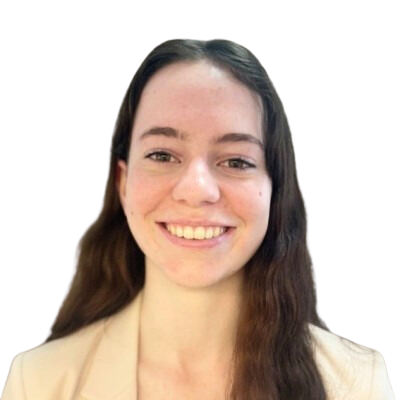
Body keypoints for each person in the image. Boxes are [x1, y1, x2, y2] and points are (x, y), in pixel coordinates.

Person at [2, 38, 395, 400]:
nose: (196, 189)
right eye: (161, 155)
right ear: (122, 182)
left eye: (236, 161)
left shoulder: (359, 385)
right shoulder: (36, 383)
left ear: (275, 190)